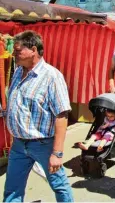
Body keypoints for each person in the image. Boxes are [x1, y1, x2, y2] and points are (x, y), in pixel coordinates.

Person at [3, 31, 73, 202]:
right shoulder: (19, 71)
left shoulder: (52, 76)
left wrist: (57, 153)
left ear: (33, 50)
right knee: (12, 190)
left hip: (43, 144)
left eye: (18, 51)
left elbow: (61, 115)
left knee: (59, 186)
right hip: (19, 145)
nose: (14, 54)